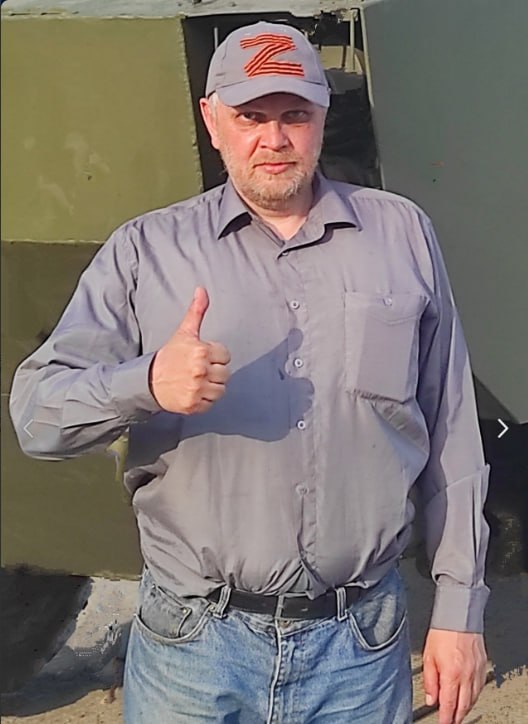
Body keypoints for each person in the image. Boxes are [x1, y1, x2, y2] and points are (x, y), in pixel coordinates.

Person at [10, 21, 489, 724]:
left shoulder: (401, 235)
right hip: (196, 652)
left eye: (294, 114)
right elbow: (36, 416)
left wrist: (459, 610)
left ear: (323, 114)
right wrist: (145, 383)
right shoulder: (146, 251)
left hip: (358, 648)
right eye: (250, 117)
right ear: (212, 121)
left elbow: (451, 430)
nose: (274, 138)